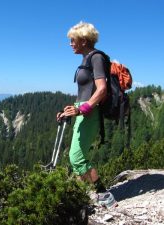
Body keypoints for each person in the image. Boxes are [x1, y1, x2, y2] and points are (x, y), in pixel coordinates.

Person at [57, 21, 117, 208]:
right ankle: (80, 195)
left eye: (72, 40)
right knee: (78, 156)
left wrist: (82, 109)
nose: (70, 43)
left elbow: (101, 90)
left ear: (83, 40)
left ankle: (104, 195)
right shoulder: (86, 59)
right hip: (83, 110)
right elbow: (85, 92)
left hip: (89, 113)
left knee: (76, 157)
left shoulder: (96, 57)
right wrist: (71, 110)